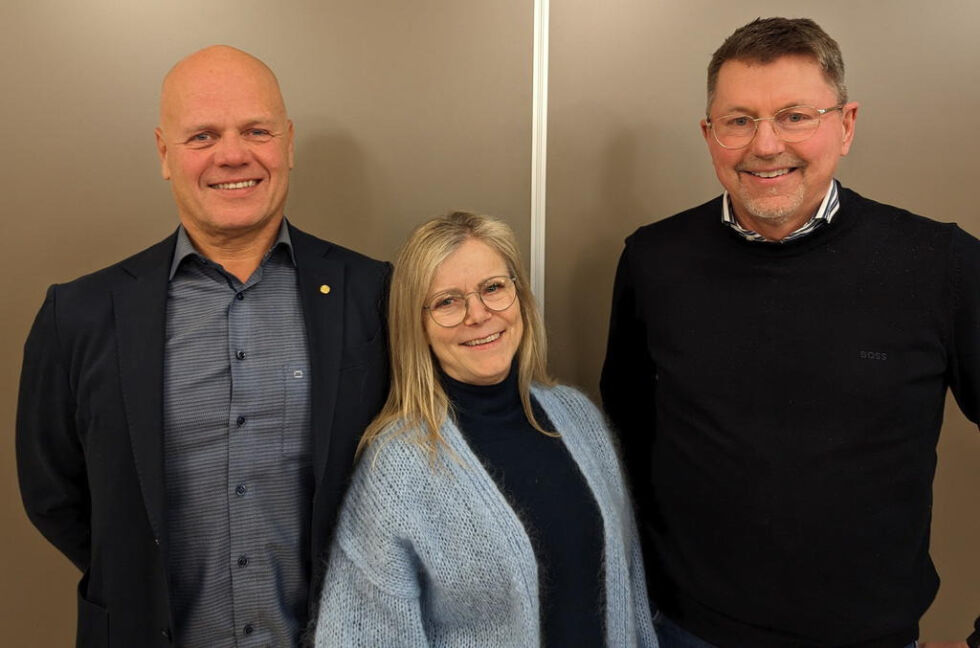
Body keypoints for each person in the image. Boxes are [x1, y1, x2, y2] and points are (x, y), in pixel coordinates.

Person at [601, 17, 979, 648]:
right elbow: (630, 430)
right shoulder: (653, 261)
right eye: (739, 120)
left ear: (847, 125)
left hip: (869, 636)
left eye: (796, 116)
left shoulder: (941, 264)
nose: (766, 145)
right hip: (684, 630)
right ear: (710, 133)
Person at [16, 45, 390, 647]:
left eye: (256, 130)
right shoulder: (79, 316)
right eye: (203, 136)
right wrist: (139, 575)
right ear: (165, 153)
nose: (233, 154)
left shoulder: (375, 296)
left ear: (288, 143)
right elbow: (53, 495)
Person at [314, 212, 656, 647]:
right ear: (416, 326)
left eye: (493, 288)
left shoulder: (579, 419)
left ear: (520, 298)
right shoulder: (397, 466)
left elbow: (630, 591)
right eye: (447, 302)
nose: (479, 314)